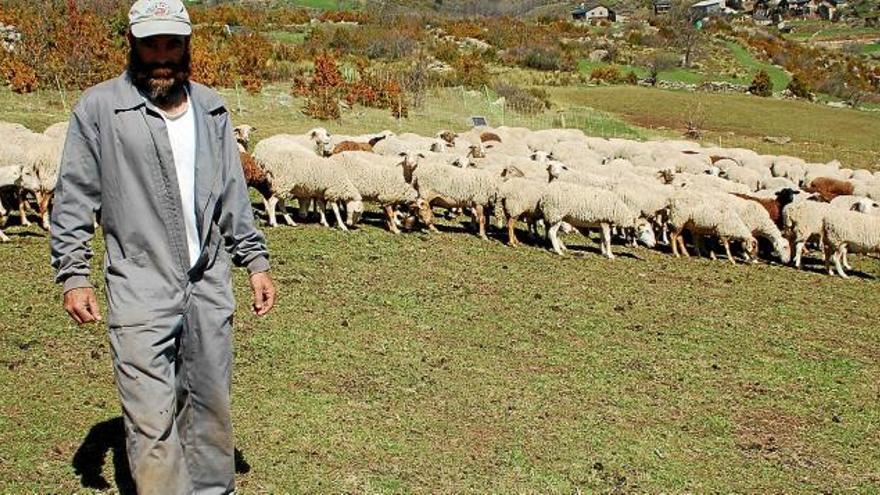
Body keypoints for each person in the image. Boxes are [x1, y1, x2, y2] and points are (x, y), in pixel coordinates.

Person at [49, 1, 276, 493]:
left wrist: (254, 259)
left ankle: (213, 490)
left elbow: (232, 191)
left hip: (208, 282)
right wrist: (73, 272)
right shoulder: (99, 109)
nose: (161, 56)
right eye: (150, 44)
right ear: (131, 42)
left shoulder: (211, 107)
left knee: (209, 404)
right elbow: (73, 195)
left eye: (171, 44)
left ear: (186, 45)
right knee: (150, 415)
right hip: (139, 282)